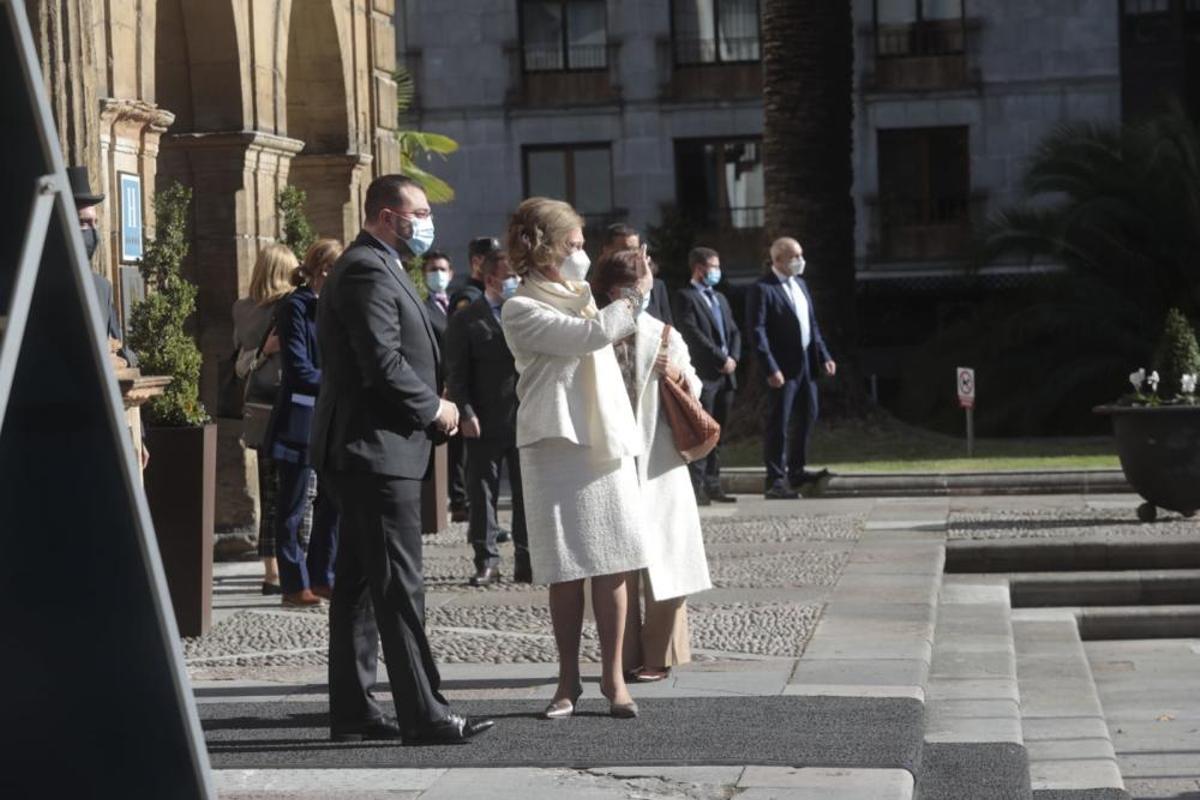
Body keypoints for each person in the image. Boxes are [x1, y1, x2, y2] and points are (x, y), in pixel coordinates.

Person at [312, 174, 494, 745]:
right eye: (418, 211)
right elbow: (382, 363)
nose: (426, 222)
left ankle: (355, 710)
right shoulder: (366, 268)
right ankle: (424, 714)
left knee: (362, 586)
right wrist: (436, 409)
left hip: (374, 450)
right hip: (374, 450)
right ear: (388, 216)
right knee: (398, 587)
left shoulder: (383, 263)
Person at [500, 197, 650, 720]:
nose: (582, 254)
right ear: (544, 248)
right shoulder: (520, 306)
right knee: (564, 566)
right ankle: (568, 680)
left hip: (604, 438)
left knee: (612, 560)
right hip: (554, 443)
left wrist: (625, 297)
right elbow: (589, 337)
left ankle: (613, 680)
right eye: (574, 244)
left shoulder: (585, 296)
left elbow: (606, 326)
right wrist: (634, 298)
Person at [591, 249, 712, 684]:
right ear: (609, 290)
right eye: (630, 289)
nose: (638, 296)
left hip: (659, 460)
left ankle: (660, 654)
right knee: (616, 561)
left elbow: (694, 387)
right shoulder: (593, 333)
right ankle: (621, 656)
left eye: (641, 289)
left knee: (666, 556)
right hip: (610, 458)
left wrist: (675, 371)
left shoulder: (661, 333)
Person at [444, 250, 530, 586]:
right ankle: (487, 560)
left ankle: (527, 558)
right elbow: (456, 372)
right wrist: (465, 411)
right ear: (491, 278)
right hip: (484, 419)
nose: (515, 283)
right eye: (509, 276)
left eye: (518, 277)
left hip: (524, 418)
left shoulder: (526, 313)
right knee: (482, 495)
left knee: (527, 494)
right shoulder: (467, 319)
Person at [266, 239, 342, 608]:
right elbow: (298, 368)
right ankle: (294, 584)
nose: (335, 276)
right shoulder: (295, 306)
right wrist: (341, 382)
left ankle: (323, 575)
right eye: (331, 269)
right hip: (300, 418)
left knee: (334, 500)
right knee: (293, 505)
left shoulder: (341, 307)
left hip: (334, 417)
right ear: (318, 270)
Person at [746, 237, 836, 500]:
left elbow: (812, 326)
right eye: (794, 256)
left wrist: (825, 356)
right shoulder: (763, 289)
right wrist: (770, 367)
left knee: (807, 415)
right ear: (778, 260)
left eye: (801, 255)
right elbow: (757, 332)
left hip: (806, 366)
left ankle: (796, 471)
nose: (800, 261)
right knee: (779, 422)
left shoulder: (801, 285)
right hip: (781, 369)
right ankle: (774, 479)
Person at [233, 243, 295, 594]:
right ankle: (290, 566)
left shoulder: (242, 309)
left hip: (258, 409)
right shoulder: (294, 306)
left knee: (270, 492)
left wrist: (259, 355)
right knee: (298, 491)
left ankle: (271, 572)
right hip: (291, 407)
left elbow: (240, 364)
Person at [672, 247, 741, 505]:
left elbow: (733, 330)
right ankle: (697, 487)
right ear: (698, 268)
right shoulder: (685, 297)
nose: (716, 272)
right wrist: (720, 359)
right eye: (712, 266)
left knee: (719, 434)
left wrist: (732, 357)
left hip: (726, 376)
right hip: (707, 375)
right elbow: (692, 333)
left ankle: (714, 483)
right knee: (703, 432)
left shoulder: (720, 298)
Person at [422, 249, 470, 524]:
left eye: (442, 269)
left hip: (463, 384)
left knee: (466, 449)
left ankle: (464, 498)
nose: (438, 274)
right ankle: (456, 500)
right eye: (432, 270)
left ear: (451, 273)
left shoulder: (460, 304)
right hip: (440, 386)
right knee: (448, 447)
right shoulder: (424, 308)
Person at [600, 223, 673, 325]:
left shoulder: (656, 286)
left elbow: (667, 327)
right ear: (607, 250)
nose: (631, 255)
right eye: (625, 249)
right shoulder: (596, 289)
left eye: (635, 249)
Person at [449, 236, 501, 313]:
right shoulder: (467, 296)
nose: (498, 264)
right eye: (492, 259)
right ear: (476, 262)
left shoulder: (493, 291)